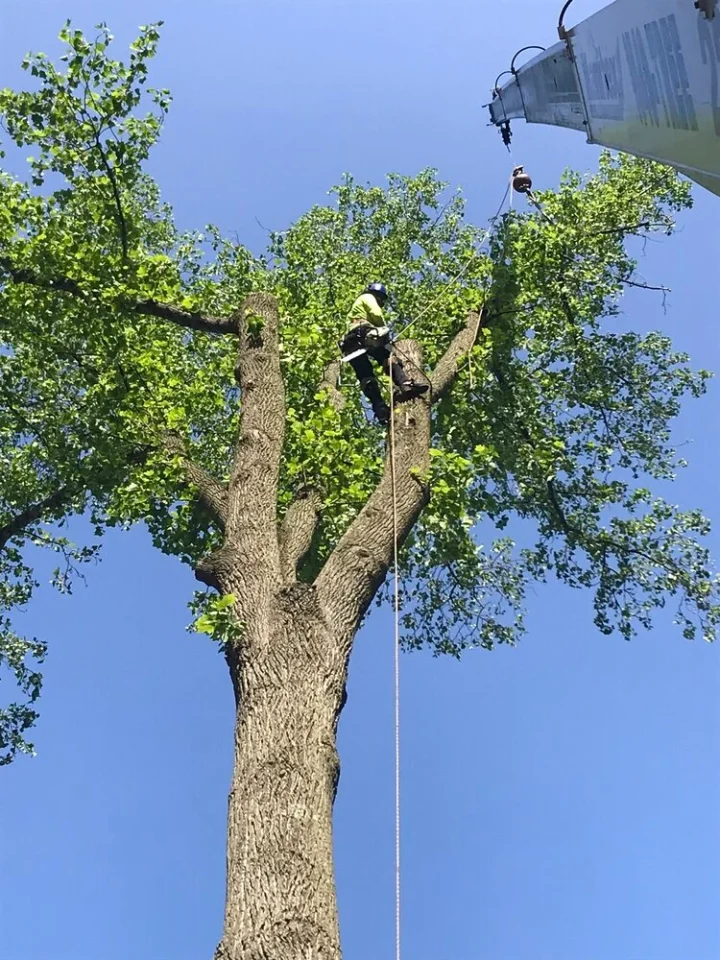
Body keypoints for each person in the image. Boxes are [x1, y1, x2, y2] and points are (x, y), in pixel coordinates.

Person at [340, 283, 429, 424]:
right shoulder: (368, 297)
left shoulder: (354, 312)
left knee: (365, 375)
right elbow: (376, 313)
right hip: (363, 334)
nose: (380, 302)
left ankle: (380, 408)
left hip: (349, 344)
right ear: (378, 295)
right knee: (387, 356)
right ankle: (405, 384)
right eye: (380, 299)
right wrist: (384, 332)